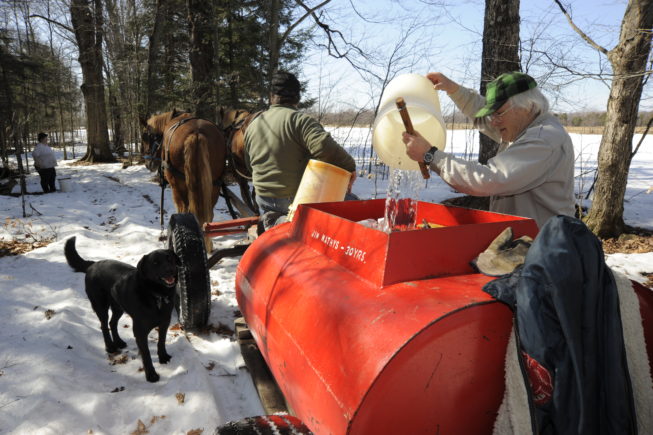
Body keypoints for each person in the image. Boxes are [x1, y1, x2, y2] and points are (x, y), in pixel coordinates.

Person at [402, 71, 575, 228]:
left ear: (528, 106)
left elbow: (489, 179)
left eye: (498, 114)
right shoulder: (522, 126)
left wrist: (430, 155)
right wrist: (453, 89)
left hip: (543, 248)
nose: (492, 121)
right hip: (525, 241)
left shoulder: (543, 139)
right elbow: (481, 112)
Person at [244, 71, 357, 229]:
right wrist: (350, 166)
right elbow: (324, 147)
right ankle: (291, 221)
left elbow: (249, 166)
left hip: (263, 198)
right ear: (297, 97)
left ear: (272, 96)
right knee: (354, 203)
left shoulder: (253, 125)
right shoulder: (300, 121)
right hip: (294, 200)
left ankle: (275, 219)